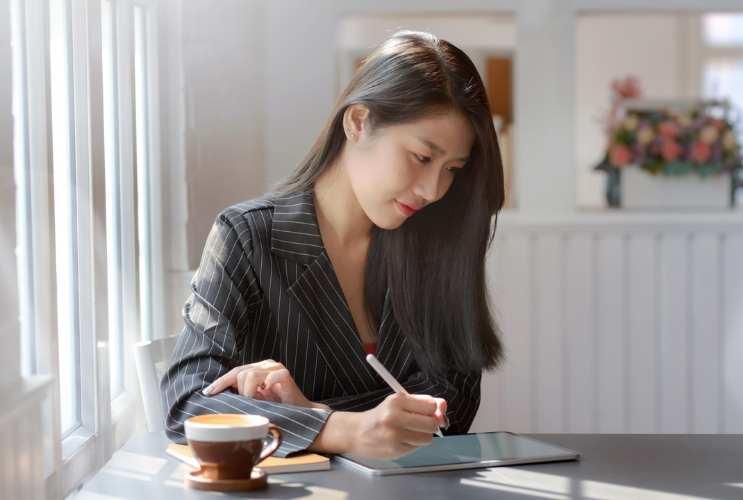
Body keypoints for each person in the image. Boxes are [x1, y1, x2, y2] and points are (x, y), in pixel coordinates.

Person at [160, 30, 505, 460]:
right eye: (422, 157)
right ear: (358, 122)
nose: (434, 189)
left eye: (452, 168)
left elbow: (454, 407)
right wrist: (341, 429)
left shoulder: (438, 238)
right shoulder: (247, 237)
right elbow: (188, 405)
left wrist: (313, 414)